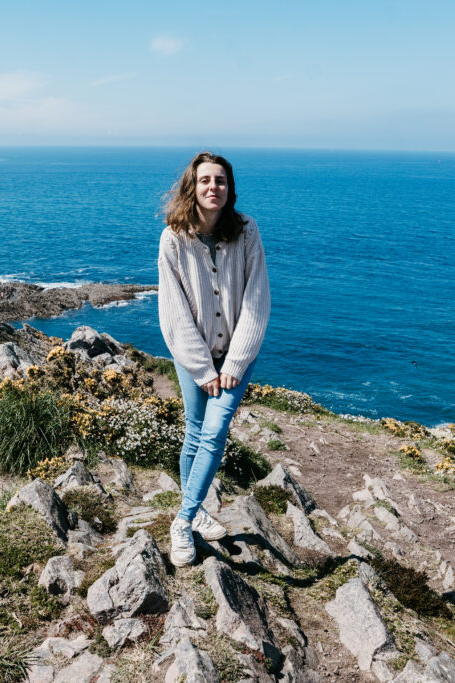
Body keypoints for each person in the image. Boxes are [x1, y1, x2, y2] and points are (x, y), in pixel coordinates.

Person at [157, 151, 270, 567]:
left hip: (238, 355)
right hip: (194, 357)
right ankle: (198, 511)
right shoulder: (173, 238)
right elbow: (173, 311)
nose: (213, 187)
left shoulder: (247, 231)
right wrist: (203, 368)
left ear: (229, 187)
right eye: (205, 180)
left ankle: (182, 521)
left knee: (215, 429)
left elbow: (257, 301)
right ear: (193, 185)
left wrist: (235, 365)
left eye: (220, 181)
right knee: (194, 430)